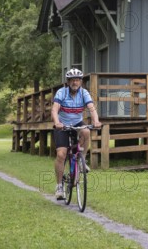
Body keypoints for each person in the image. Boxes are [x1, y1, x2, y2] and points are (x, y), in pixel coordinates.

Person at [51, 68, 101, 199]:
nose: (75, 82)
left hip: (77, 123)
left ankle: (82, 160)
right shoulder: (62, 92)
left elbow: (92, 109)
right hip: (62, 125)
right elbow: (54, 110)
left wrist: (96, 121)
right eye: (72, 80)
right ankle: (59, 186)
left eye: (77, 79)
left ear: (81, 81)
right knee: (61, 154)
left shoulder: (84, 93)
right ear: (68, 82)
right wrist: (57, 122)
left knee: (86, 131)